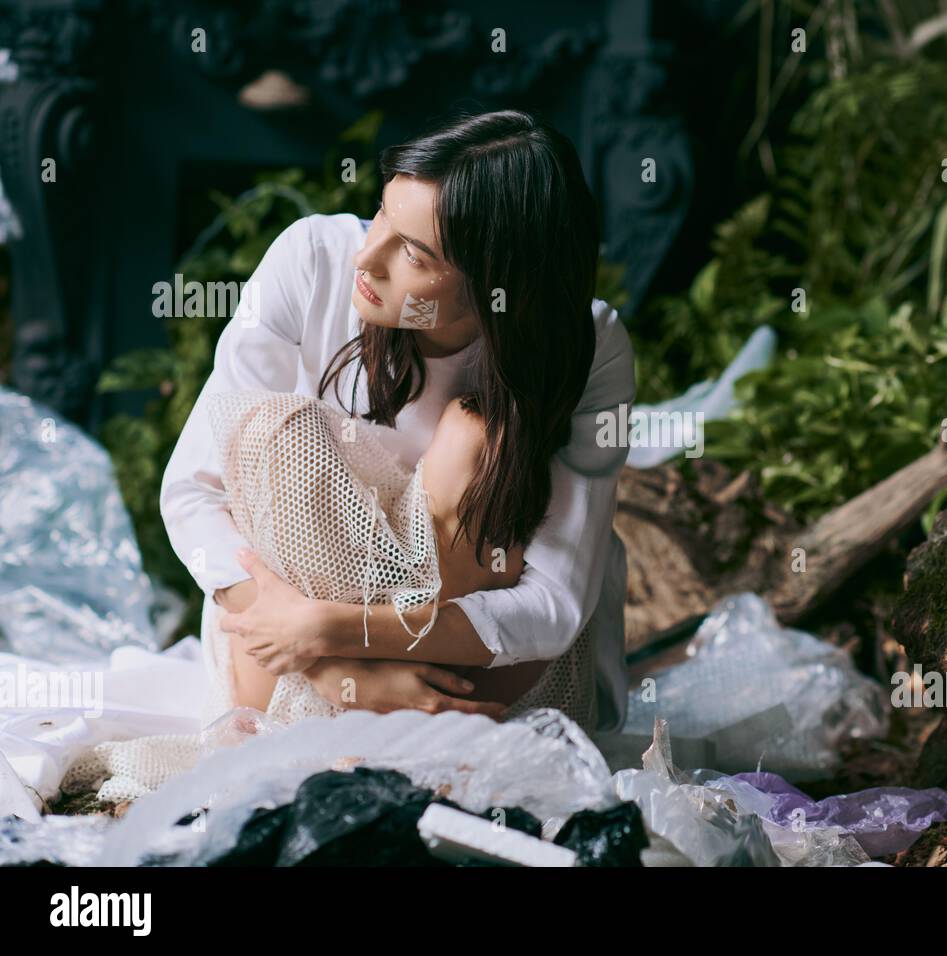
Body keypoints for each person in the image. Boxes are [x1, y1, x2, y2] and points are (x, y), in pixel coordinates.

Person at [159, 109, 635, 733]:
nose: (368, 255)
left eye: (413, 253)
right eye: (382, 212)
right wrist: (344, 671)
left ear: (502, 288)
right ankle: (328, 731)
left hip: (465, 669)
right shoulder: (312, 261)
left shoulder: (587, 344)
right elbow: (192, 495)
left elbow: (553, 603)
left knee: (479, 441)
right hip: (287, 647)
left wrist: (337, 629)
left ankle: (419, 741)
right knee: (276, 431)